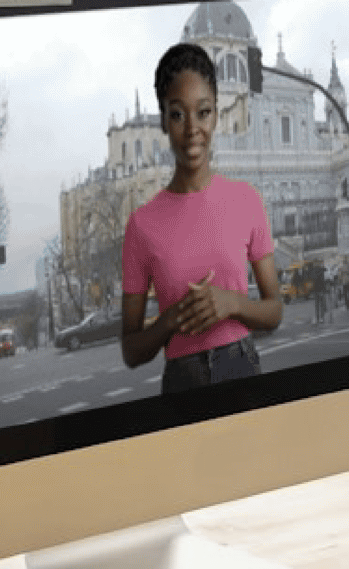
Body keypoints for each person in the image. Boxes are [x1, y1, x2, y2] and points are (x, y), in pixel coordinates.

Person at [121, 42, 283, 394]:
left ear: (216, 116)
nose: (192, 128)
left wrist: (232, 303)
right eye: (178, 114)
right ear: (163, 120)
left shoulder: (246, 200)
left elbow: (275, 311)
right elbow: (131, 350)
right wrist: (170, 321)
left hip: (244, 370)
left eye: (203, 112)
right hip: (181, 383)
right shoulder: (141, 226)